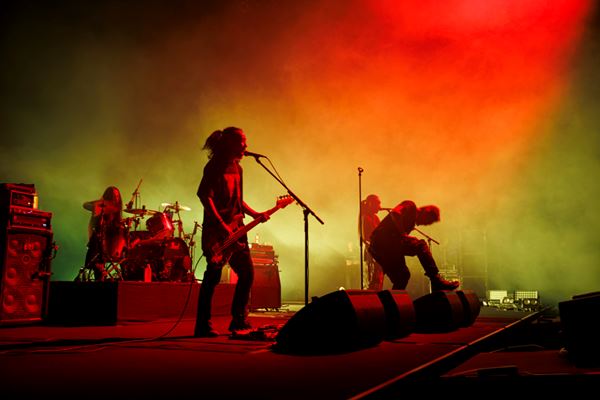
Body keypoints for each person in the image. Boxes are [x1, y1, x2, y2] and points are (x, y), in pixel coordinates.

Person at [194, 127, 269, 337]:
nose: (246, 145)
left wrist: (254, 214)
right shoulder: (214, 167)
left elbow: (237, 199)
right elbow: (204, 196)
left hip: (237, 229)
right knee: (213, 277)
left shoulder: (238, 167)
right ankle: (202, 325)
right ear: (229, 143)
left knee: (247, 273)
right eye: (242, 141)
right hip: (216, 232)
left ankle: (238, 321)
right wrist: (221, 225)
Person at [368, 200, 459, 292]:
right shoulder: (410, 205)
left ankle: (392, 303)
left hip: (380, 249)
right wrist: (403, 234)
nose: (425, 224)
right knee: (420, 245)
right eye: (428, 221)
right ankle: (436, 280)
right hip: (383, 241)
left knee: (403, 276)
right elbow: (396, 213)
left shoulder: (411, 224)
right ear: (426, 212)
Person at [82, 186, 125, 280]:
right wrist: (96, 206)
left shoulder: (116, 210)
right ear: (109, 196)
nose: (116, 198)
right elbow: (85, 205)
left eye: (118, 196)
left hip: (112, 238)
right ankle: (99, 272)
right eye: (114, 195)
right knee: (97, 252)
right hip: (100, 236)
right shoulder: (102, 205)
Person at [359, 194, 384, 291]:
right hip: (371, 253)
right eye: (378, 203)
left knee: (378, 280)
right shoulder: (365, 218)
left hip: (378, 253)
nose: (380, 206)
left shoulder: (376, 218)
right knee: (372, 281)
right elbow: (365, 238)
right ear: (370, 204)